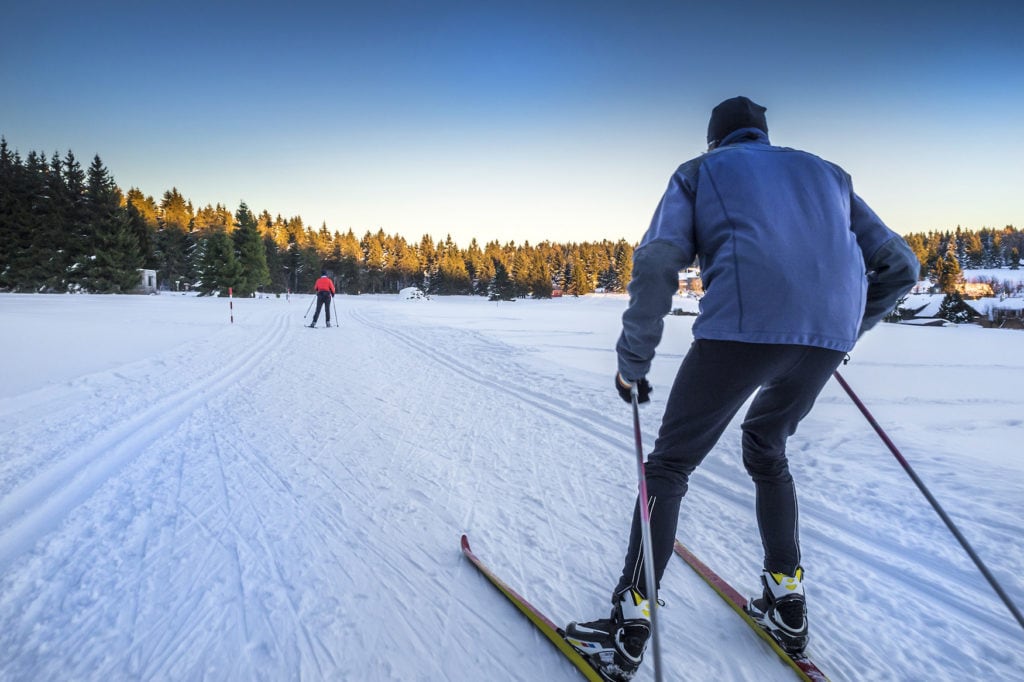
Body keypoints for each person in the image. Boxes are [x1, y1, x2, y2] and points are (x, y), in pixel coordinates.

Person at [564, 96, 919, 681]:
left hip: (740, 333)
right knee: (767, 447)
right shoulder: (830, 176)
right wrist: (841, 330)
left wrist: (634, 362)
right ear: (762, 134)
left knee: (670, 467)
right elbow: (901, 265)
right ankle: (786, 601)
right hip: (823, 339)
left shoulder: (699, 173)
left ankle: (628, 624)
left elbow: (657, 263)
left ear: (715, 140)